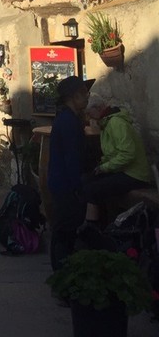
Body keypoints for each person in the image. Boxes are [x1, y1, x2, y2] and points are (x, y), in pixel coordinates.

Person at [82, 95, 152, 225]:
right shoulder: (106, 122)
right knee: (87, 180)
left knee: (93, 190)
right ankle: (99, 223)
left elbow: (127, 154)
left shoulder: (116, 123)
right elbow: (112, 152)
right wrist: (102, 165)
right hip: (123, 170)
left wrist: (104, 167)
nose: (88, 117)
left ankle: (94, 228)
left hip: (135, 174)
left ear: (98, 108)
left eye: (89, 113)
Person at [47, 75, 94, 271]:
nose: (87, 98)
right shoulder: (67, 121)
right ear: (72, 97)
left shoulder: (70, 118)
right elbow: (71, 158)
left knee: (66, 231)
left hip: (63, 183)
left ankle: (63, 274)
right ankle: (62, 276)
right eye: (83, 94)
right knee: (64, 232)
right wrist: (77, 187)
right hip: (65, 185)